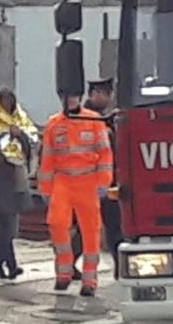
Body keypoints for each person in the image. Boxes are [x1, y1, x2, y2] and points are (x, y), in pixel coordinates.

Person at [39, 90, 113, 297]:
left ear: (78, 98)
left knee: (91, 230)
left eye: (72, 96)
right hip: (63, 181)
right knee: (57, 224)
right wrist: (45, 189)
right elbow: (47, 159)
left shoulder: (94, 120)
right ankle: (64, 272)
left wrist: (103, 182)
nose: (69, 100)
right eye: (66, 97)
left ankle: (90, 279)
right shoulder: (53, 124)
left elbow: (105, 153)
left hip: (88, 181)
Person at [0, 88, 40, 279]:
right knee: (7, 225)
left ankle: (9, 265)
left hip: (15, 178)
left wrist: (19, 135)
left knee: (9, 225)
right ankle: (1, 266)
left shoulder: (20, 119)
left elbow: (32, 141)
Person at [70, 78, 122, 279]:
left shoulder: (103, 118)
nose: (108, 98)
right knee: (88, 227)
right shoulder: (85, 119)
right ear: (94, 94)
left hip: (105, 181)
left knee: (111, 226)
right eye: (104, 94)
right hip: (90, 181)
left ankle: (119, 267)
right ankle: (70, 265)